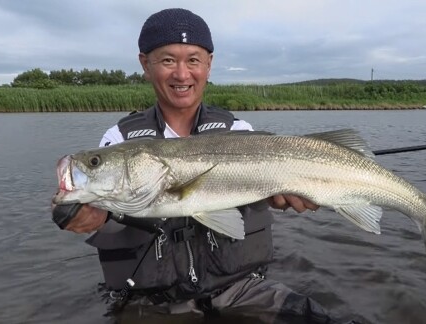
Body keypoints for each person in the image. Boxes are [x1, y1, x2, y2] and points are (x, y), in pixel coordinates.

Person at [52, 8, 342, 324]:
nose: (181, 74)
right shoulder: (119, 139)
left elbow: (263, 192)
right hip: (154, 304)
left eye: (193, 60)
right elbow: (99, 211)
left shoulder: (239, 131)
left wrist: (287, 197)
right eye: (167, 60)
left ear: (208, 65)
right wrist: (83, 214)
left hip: (241, 290)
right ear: (144, 65)